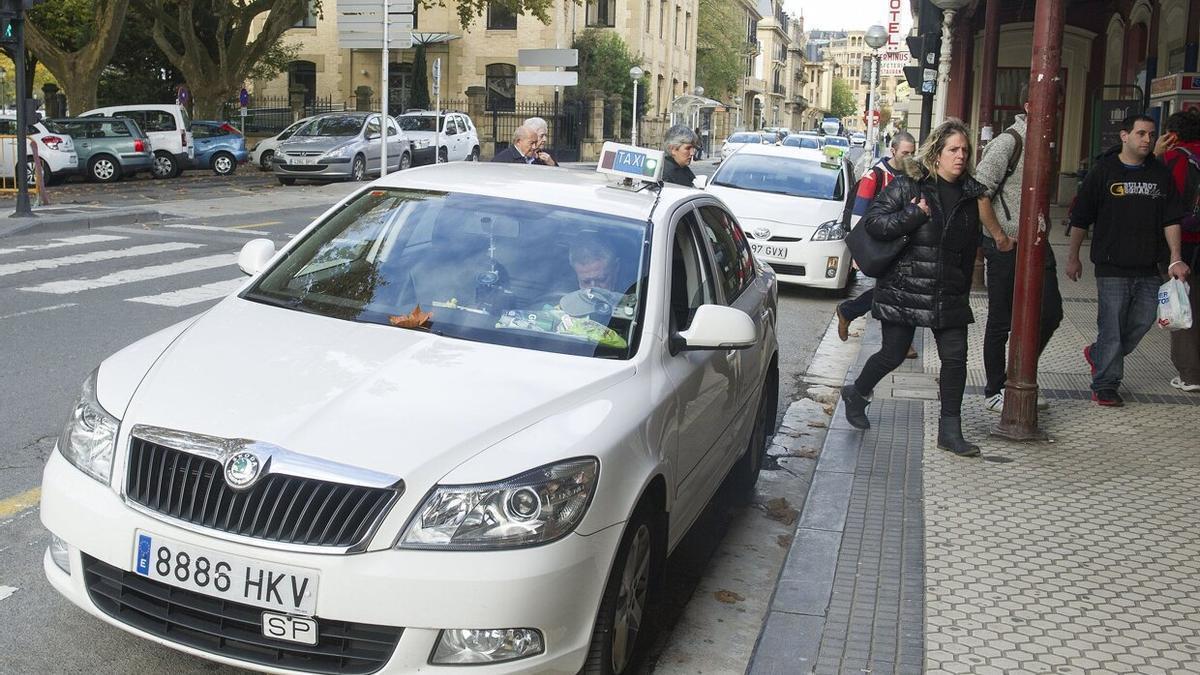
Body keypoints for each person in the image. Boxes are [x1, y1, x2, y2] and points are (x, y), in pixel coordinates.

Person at [840, 119, 987, 457]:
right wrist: (911, 216)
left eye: (965, 150)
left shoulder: (971, 195)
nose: (960, 156)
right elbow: (874, 223)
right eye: (953, 150)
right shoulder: (909, 187)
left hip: (948, 291)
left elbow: (968, 248)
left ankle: (950, 431)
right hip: (905, 287)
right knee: (892, 354)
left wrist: (964, 289)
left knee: (956, 359)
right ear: (937, 154)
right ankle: (857, 392)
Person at [1068, 114, 1191, 406]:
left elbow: (1171, 219)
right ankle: (1106, 384)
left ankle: (1098, 354)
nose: (1147, 139)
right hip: (1111, 267)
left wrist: (1175, 258)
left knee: (1142, 321)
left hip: (1149, 266)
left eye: (1151, 134)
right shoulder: (1104, 171)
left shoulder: (1160, 174)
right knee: (1111, 326)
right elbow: (1081, 217)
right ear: (1124, 136)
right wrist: (1073, 256)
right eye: (1140, 133)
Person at [974, 89, 1064, 413]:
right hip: (1006, 245)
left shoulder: (1045, 142)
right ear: (1028, 106)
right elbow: (979, 190)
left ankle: (1018, 377)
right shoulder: (1010, 141)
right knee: (1001, 320)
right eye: (1043, 102)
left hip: (1038, 243)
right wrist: (998, 236)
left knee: (1051, 312)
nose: (1051, 109)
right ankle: (994, 390)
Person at [834, 131, 919, 360]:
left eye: (913, 153)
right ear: (893, 151)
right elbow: (858, 217)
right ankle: (899, 343)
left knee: (894, 290)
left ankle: (849, 311)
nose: (910, 157)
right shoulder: (875, 176)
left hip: (904, 243)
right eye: (905, 153)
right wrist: (858, 254)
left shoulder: (915, 176)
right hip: (883, 245)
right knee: (892, 290)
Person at [1156, 110, 1200, 392]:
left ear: (1172, 135)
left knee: (1182, 304)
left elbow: (1162, 199)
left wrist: (1156, 155)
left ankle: (1190, 374)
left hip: (1182, 242)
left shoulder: (1173, 159)